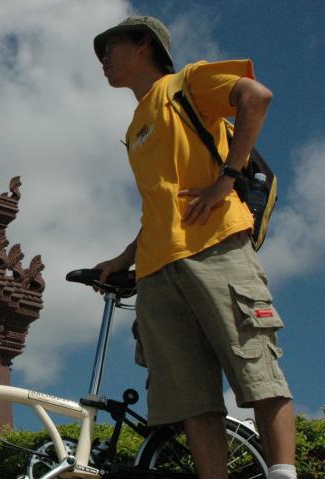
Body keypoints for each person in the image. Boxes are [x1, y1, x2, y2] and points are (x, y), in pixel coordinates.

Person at [91, 16, 296, 479]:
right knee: (192, 401)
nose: (103, 59)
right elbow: (160, 204)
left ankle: (284, 473)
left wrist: (228, 178)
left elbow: (255, 96)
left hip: (215, 246)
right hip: (157, 271)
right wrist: (125, 257)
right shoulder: (135, 127)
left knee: (257, 373)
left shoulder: (186, 82)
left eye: (109, 47)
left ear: (143, 44)